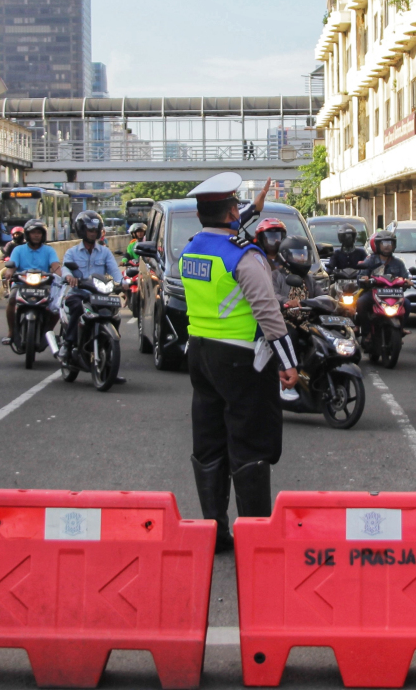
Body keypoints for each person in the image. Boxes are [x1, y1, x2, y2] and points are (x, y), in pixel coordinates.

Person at [181, 172, 299, 553]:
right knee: (250, 445)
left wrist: (256, 206)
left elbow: (223, 227)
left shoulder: (192, 248)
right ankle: (256, 538)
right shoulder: (246, 256)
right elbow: (268, 313)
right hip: (242, 360)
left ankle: (215, 532)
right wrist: (287, 362)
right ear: (232, 211)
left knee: (210, 443)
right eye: (237, 206)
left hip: (199, 352)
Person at [58, 211, 126, 383]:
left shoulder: (104, 252)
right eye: (89, 230)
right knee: (77, 307)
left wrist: (123, 283)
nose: (92, 233)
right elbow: (65, 268)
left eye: (95, 230)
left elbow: (115, 272)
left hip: (100, 295)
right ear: (82, 231)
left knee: (114, 315)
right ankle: (67, 345)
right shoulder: (72, 252)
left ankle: (110, 363)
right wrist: (69, 277)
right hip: (79, 294)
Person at [1, 219, 62, 345]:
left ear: (43, 235)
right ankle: (11, 331)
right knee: (12, 300)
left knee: (56, 305)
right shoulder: (18, 250)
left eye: (39, 232)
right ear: (27, 235)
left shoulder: (49, 250)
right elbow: (12, 266)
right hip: (21, 284)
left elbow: (55, 266)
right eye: (33, 232)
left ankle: (48, 331)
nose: (36, 235)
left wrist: (63, 276)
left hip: (44, 285)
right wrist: (9, 272)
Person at [357, 229, 408, 334]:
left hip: (394, 295)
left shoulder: (398, 263)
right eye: (384, 243)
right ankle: (367, 333)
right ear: (378, 245)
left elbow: (405, 278)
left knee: (407, 304)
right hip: (374, 293)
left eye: (390, 243)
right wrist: (364, 279)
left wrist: (407, 282)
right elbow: (360, 277)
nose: (387, 246)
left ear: (394, 245)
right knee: (361, 303)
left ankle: (401, 329)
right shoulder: (370, 260)